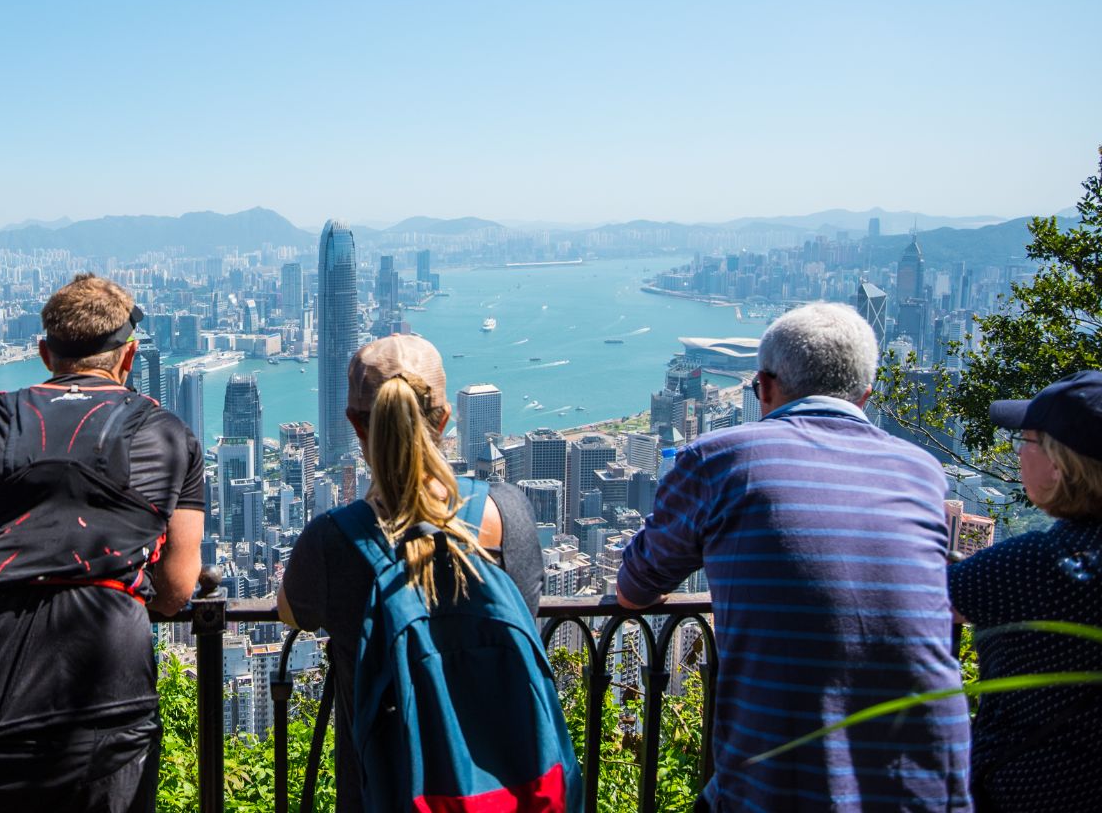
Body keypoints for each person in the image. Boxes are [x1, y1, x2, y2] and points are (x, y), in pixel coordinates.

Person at [617, 302, 970, 811]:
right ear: (866, 395)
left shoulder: (717, 458)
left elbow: (633, 588)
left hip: (784, 784)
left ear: (763, 386)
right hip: (930, 782)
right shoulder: (922, 471)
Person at [0, 273, 205, 813]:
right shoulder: (167, 434)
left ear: (43, 353)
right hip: (102, 691)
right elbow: (176, 590)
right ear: (129, 357)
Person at [279, 334, 563, 811]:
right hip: (507, 791)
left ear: (355, 425)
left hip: (387, 791)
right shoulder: (506, 512)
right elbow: (526, 606)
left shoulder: (332, 542)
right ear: (445, 419)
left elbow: (292, 614)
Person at [949, 370, 1102, 811]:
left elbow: (910, 603)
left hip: (1037, 790)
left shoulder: (1041, 563)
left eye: (1027, 440)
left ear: (1059, 462)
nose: (1018, 454)